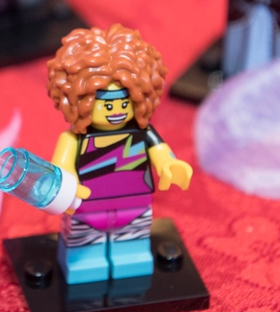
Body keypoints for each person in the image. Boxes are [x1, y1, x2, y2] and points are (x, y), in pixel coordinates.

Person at [45, 24, 192, 283]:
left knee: (132, 248)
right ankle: (83, 263)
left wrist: (168, 165)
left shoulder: (143, 132)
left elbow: (160, 151)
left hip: (133, 205)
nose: (117, 111)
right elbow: (62, 167)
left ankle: (131, 258)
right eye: (107, 105)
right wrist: (66, 182)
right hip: (87, 209)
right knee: (85, 251)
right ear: (81, 101)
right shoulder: (73, 139)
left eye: (125, 103)